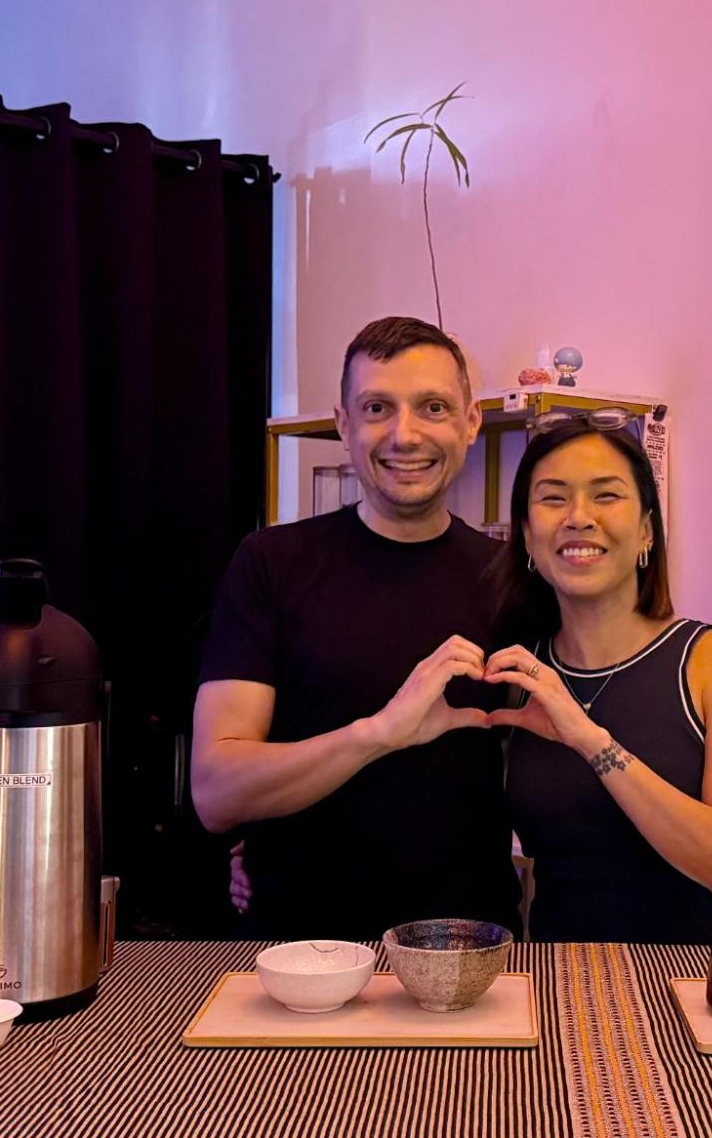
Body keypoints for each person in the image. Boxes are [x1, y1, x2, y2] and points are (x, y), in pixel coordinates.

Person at [190, 317, 518, 939]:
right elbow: (216, 792)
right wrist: (379, 734)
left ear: (470, 422)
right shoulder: (273, 565)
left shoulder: (511, 581)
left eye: (433, 407)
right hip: (295, 955)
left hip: (466, 956)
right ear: (343, 423)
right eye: (377, 407)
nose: (405, 434)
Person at [484, 412, 712, 942]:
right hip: (557, 990)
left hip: (693, 993)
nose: (578, 517)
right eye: (552, 498)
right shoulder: (518, 674)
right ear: (526, 536)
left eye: (606, 495)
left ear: (645, 530)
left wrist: (591, 742)